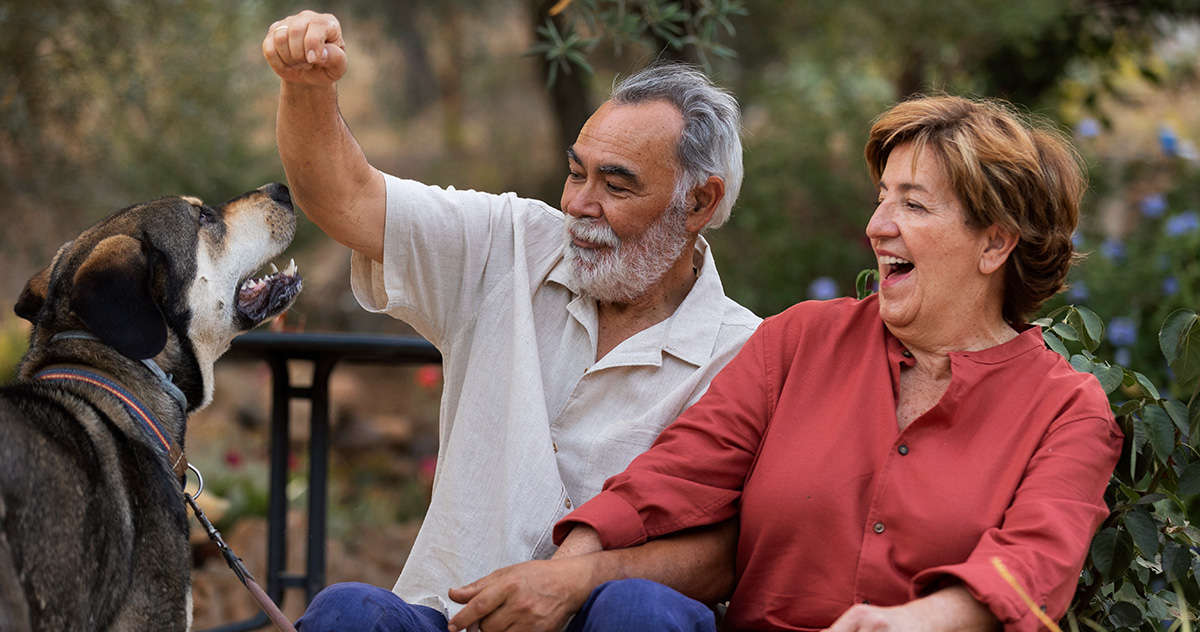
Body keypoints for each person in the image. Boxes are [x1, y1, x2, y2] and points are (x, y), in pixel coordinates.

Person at [450, 95, 1124, 632]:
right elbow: (674, 474)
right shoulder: (800, 340)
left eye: (913, 204)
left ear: (995, 244)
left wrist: (911, 622)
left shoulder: (1068, 410)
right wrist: (566, 575)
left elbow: (1035, 563)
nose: (878, 225)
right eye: (882, 197)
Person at [260, 10, 761, 631]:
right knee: (347, 612)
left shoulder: (747, 354)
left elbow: (730, 552)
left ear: (700, 202)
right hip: (452, 617)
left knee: (639, 611)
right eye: (576, 173)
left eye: (616, 186)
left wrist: (573, 583)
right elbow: (348, 200)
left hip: (607, 622)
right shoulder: (511, 241)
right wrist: (307, 87)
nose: (579, 204)